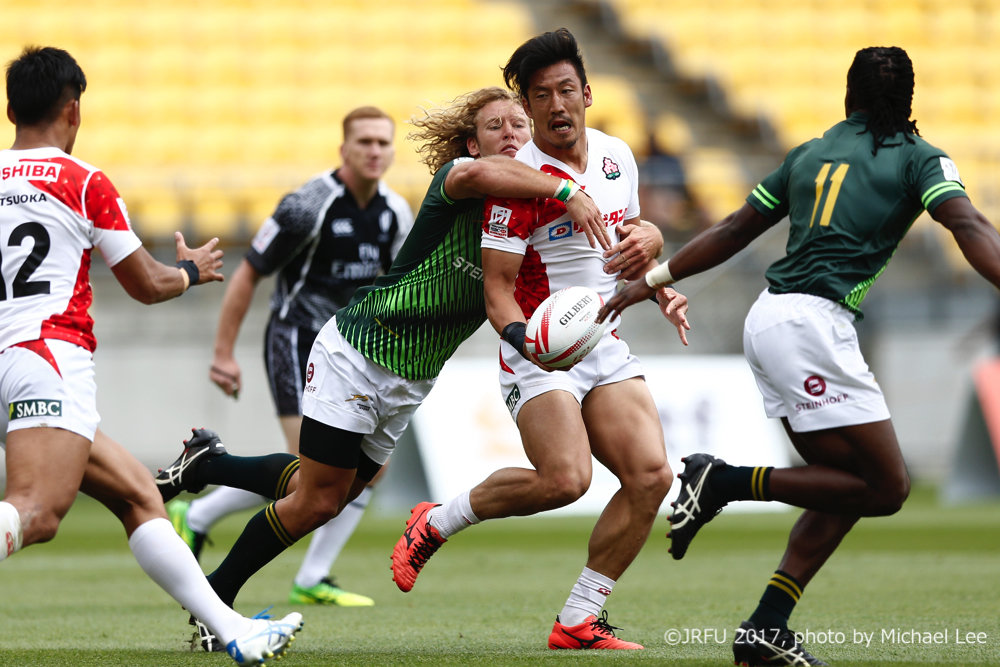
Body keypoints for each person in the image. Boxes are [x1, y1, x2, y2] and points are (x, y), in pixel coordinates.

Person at [153, 86, 666, 621]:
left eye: (519, 126)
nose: (511, 136)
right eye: (495, 128)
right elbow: (481, 176)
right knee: (317, 502)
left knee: (325, 491)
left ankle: (210, 462)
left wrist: (653, 259)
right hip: (361, 350)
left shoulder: (529, 212)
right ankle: (215, 601)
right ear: (471, 143)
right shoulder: (459, 182)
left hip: (411, 377)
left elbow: (600, 251)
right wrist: (567, 189)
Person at [599, 46, 1000, 666]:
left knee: (846, 488)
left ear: (849, 96)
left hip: (772, 319)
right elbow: (969, 227)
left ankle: (765, 629)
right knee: (889, 486)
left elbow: (733, 229)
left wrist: (649, 280)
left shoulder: (809, 154)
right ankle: (723, 479)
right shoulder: (922, 160)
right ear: (909, 102)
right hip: (814, 325)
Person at [388, 28, 690, 651]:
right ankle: (437, 521)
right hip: (539, 346)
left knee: (652, 476)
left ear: (586, 92)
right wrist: (526, 343)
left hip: (602, 341)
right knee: (565, 480)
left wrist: (658, 274)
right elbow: (496, 287)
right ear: (526, 107)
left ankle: (579, 619)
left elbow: (625, 238)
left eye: (565, 90)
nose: (556, 105)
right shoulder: (516, 180)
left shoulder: (616, 157)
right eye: (541, 95)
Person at [0, 46, 301, 665]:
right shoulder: (83, 182)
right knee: (39, 509)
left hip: (11, 354)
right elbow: (146, 283)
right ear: (74, 110)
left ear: (9, 110)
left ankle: (231, 630)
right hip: (49, 355)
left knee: (139, 494)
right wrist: (190, 270)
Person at [166, 105, 413, 608]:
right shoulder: (308, 205)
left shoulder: (395, 213)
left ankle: (204, 519)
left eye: (383, 143)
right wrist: (223, 353)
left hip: (357, 353)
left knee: (360, 473)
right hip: (296, 339)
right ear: (343, 147)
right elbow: (249, 272)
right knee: (315, 471)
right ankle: (290, 564)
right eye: (364, 141)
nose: (374, 151)